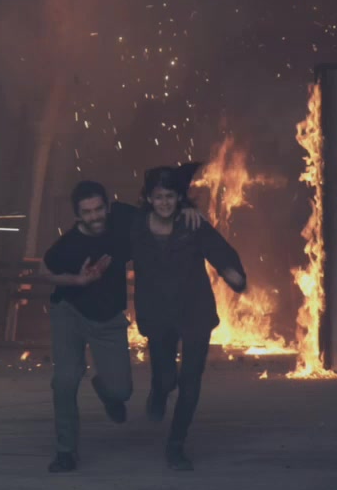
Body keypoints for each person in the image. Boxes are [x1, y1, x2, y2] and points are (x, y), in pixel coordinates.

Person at [39, 180, 201, 473]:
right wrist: (78, 280)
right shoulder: (68, 245)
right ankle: (66, 452)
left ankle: (105, 389)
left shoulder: (124, 218)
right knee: (65, 381)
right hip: (69, 313)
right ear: (77, 215)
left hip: (108, 318)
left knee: (121, 391)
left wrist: (187, 208)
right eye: (87, 212)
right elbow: (44, 270)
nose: (95, 216)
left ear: (107, 206)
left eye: (99, 209)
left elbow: (159, 209)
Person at [129, 162, 247, 471]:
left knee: (191, 379)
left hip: (194, 310)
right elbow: (109, 232)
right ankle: (158, 392)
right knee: (167, 377)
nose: (164, 202)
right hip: (157, 312)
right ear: (149, 199)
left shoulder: (192, 224)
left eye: (170, 196)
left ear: (178, 198)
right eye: (158, 197)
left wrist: (232, 274)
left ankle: (176, 444)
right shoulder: (136, 227)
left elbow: (220, 251)